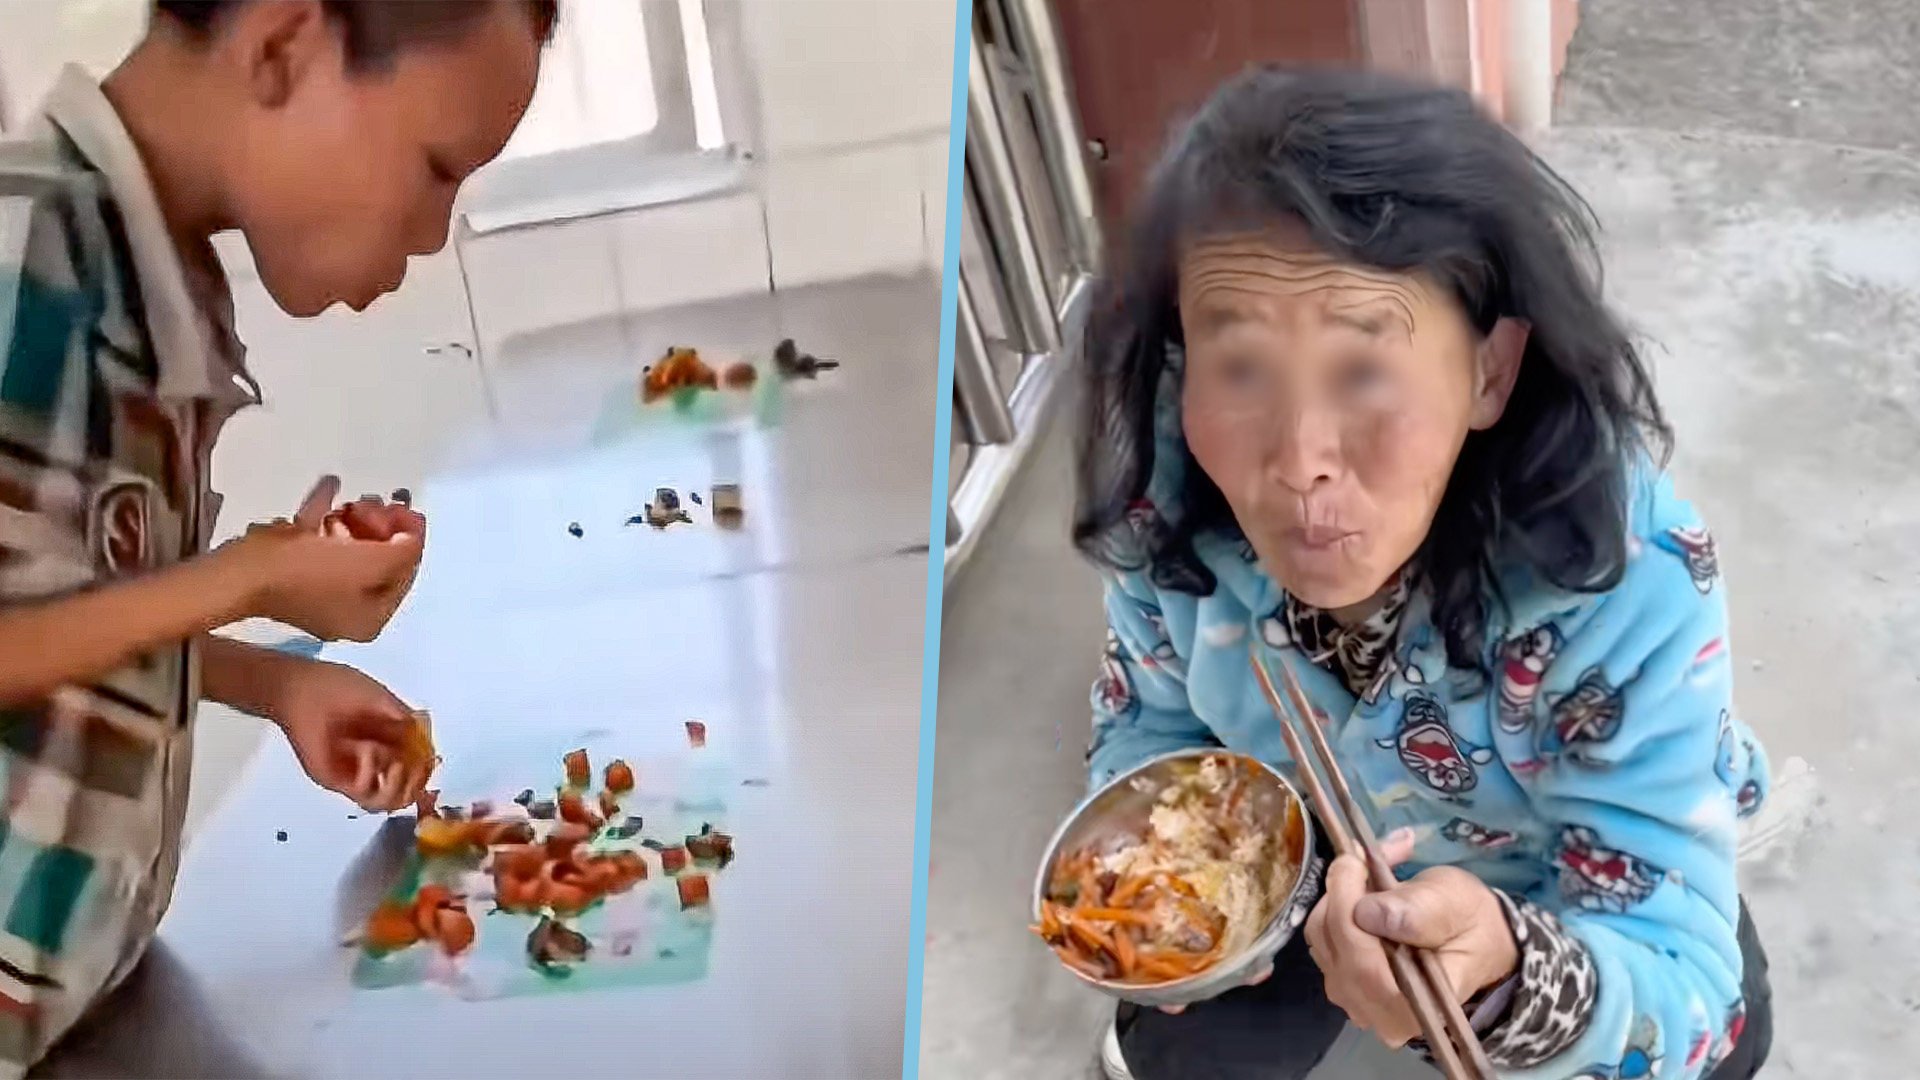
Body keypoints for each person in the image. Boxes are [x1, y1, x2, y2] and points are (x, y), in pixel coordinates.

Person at [1072, 68, 1773, 1080]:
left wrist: (1504, 983)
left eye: (1364, 373)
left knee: (1711, 1045)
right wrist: (1170, 887)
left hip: (1555, 884)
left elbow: (1677, 964)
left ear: (1489, 371)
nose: (1300, 457)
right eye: (1240, 371)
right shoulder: (1170, 521)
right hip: (1309, 864)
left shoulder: (1624, 574)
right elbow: (1151, 730)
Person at [0, 1, 553, 1071]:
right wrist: (246, 577)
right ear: (284, 47)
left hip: (82, 1012)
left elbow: (50, 606)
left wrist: (268, 681)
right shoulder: (24, 263)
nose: (433, 234)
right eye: (438, 167)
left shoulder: (153, 276)